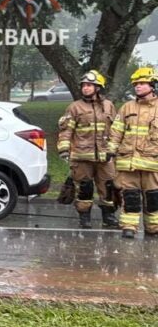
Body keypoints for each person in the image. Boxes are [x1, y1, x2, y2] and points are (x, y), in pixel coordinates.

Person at [56, 70, 118, 229]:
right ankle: (85, 218)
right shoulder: (74, 107)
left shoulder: (109, 106)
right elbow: (66, 131)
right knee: (85, 189)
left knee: (109, 188)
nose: (85, 88)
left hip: (105, 157)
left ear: (98, 87)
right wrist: (64, 149)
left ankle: (109, 217)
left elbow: (116, 130)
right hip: (81, 157)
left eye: (89, 85)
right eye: (84, 85)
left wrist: (114, 149)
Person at [109, 67, 158, 238]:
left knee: (153, 197)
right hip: (128, 161)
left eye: (142, 83)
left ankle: (153, 227)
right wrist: (111, 150)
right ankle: (129, 226)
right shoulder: (127, 107)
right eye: (136, 84)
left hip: (152, 162)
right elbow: (116, 131)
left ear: (152, 85)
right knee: (130, 196)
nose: (138, 86)